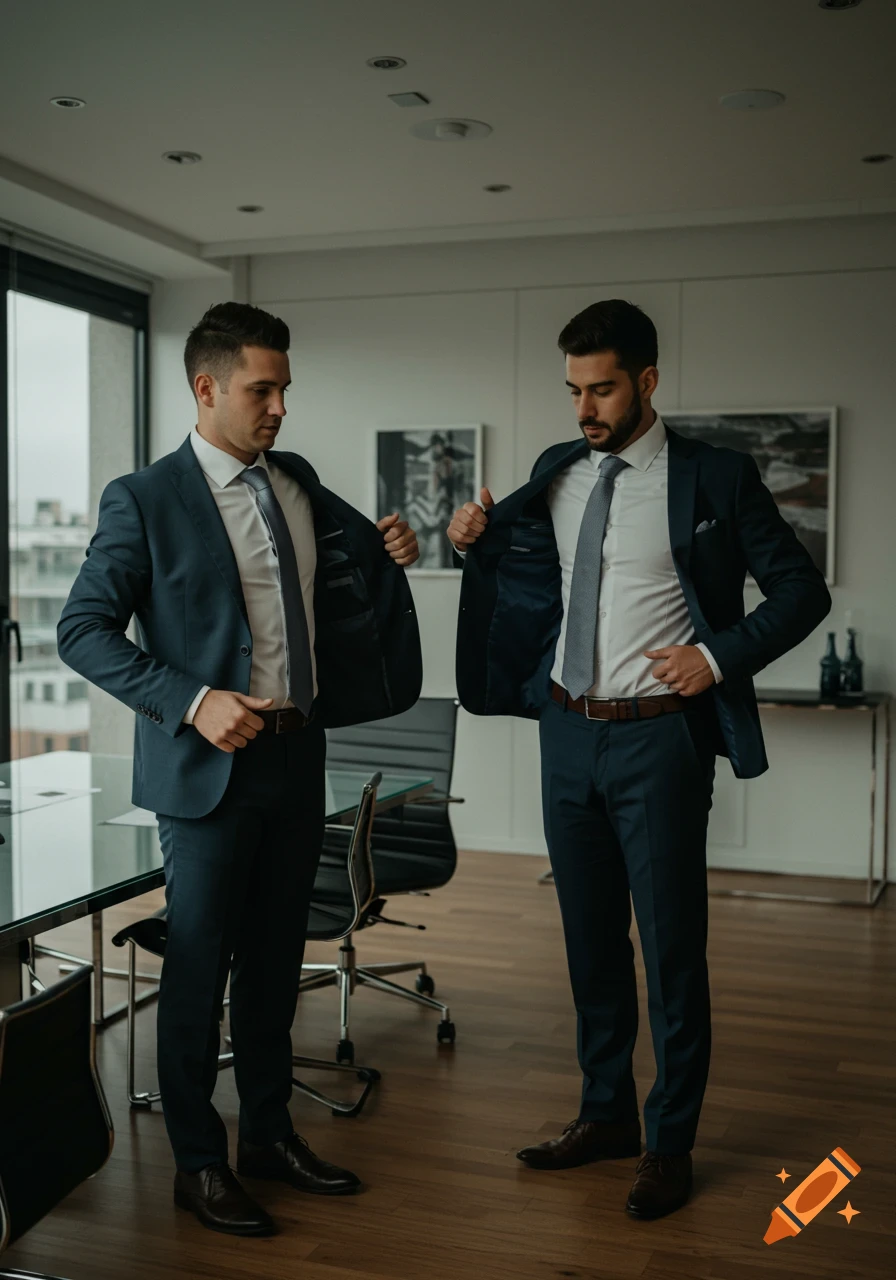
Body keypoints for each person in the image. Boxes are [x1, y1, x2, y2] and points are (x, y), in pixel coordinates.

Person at [447, 299, 831, 1221]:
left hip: (662, 735)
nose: (585, 407)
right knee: (589, 944)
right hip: (565, 728)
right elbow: (529, 573)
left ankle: (669, 1142)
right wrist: (473, 545)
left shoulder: (716, 477)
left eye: (603, 387)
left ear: (649, 381)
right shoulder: (556, 470)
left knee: (670, 948)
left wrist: (717, 656)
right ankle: (605, 1114)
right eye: (574, 389)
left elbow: (800, 591)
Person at [58, 302, 422, 1237]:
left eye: (285, 389)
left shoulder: (295, 480)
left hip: (299, 757)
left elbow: (348, 571)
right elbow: (82, 631)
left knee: (272, 963)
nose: (279, 408)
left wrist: (397, 554)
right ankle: (197, 1163)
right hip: (207, 770)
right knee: (198, 972)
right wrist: (191, 698)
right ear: (206, 387)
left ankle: (267, 1135)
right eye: (263, 389)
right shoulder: (142, 499)